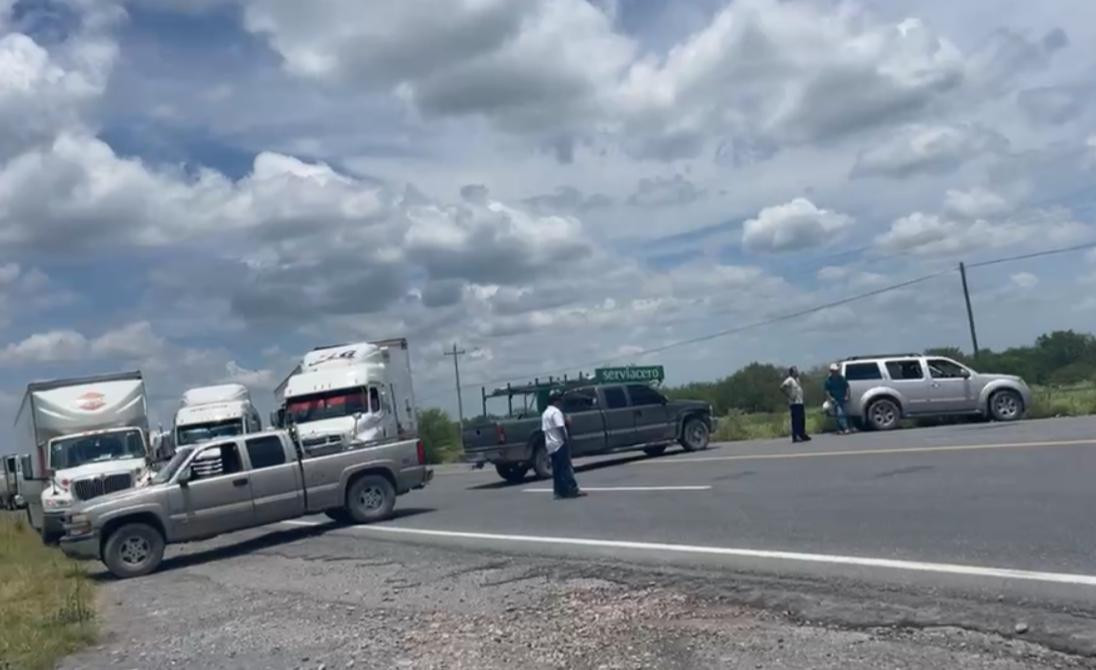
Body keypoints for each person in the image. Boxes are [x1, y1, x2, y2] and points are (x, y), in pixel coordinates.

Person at [541, 390, 585, 499]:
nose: (561, 402)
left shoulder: (545, 413)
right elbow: (560, 427)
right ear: (556, 401)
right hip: (559, 443)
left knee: (557, 470)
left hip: (550, 444)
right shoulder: (556, 412)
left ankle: (559, 492)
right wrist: (566, 440)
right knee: (566, 468)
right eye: (559, 400)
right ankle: (573, 489)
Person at [780, 367, 811, 443]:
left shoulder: (797, 380)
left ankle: (802, 434)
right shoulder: (789, 379)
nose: (797, 372)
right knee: (796, 420)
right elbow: (782, 387)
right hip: (794, 403)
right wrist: (789, 395)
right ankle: (796, 436)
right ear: (792, 372)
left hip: (800, 402)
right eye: (796, 371)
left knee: (802, 419)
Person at [824, 363, 852, 435]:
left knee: (840, 414)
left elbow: (847, 387)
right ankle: (844, 428)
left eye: (836, 370)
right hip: (834, 400)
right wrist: (831, 398)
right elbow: (827, 391)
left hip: (842, 398)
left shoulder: (841, 378)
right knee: (839, 414)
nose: (836, 372)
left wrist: (847, 396)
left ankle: (841, 429)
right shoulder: (828, 381)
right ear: (831, 371)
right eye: (834, 371)